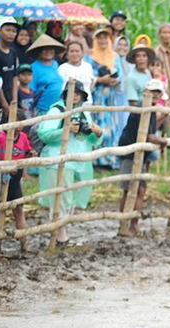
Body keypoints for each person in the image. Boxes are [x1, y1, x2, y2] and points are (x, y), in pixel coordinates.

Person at [37, 81, 103, 246]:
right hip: (58, 160)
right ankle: (61, 237)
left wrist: (98, 132)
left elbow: (91, 139)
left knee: (71, 199)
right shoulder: (57, 110)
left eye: (78, 93)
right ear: (65, 94)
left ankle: (61, 235)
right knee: (60, 199)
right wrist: (65, 130)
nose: (74, 96)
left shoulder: (83, 112)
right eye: (71, 93)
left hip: (79, 161)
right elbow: (44, 133)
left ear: (82, 96)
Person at [117, 79, 168, 236]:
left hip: (141, 154)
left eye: (157, 92)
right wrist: (162, 141)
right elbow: (149, 136)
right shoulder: (142, 109)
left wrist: (164, 116)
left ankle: (133, 225)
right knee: (129, 190)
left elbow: (150, 129)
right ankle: (124, 225)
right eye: (152, 92)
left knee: (140, 190)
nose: (155, 95)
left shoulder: (150, 109)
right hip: (130, 153)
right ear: (146, 92)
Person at [0, 124, 33, 251]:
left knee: (18, 210)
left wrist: (31, 155)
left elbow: (27, 153)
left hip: (15, 180)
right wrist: (1, 164)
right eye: (19, 122)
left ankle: (24, 244)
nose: (21, 125)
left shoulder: (23, 137)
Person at [86, 28, 125, 169]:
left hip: (111, 98)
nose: (103, 41)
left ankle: (109, 159)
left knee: (111, 126)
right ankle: (96, 160)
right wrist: (100, 80)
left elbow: (120, 74)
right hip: (97, 97)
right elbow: (87, 77)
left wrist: (115, 80)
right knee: (98, 126)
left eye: (105, 38)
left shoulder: (115, 57)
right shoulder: (89, 58)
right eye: (100, 38)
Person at [29, 34, 66, 115]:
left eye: (51, 49)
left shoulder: (55, 64)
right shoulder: (34, 67)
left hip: (58, 108)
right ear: (39, 51)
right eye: (45, 49)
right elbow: (30, 90)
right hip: (42, 110)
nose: (48, 52)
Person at [58, 41, 95, 105]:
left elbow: (91, 84)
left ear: (82, 53)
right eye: (72, 51)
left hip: (87, 103)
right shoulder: (62, 68)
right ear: (67, 54)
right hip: (70, 105)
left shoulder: (88, 66)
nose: (74, 54)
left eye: (77, 51)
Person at [154, 23, 170, 102]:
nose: (167, 35)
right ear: (159, 35)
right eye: (164, 32)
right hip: (163, 93)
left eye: (169, 32)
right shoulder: (156, 52)